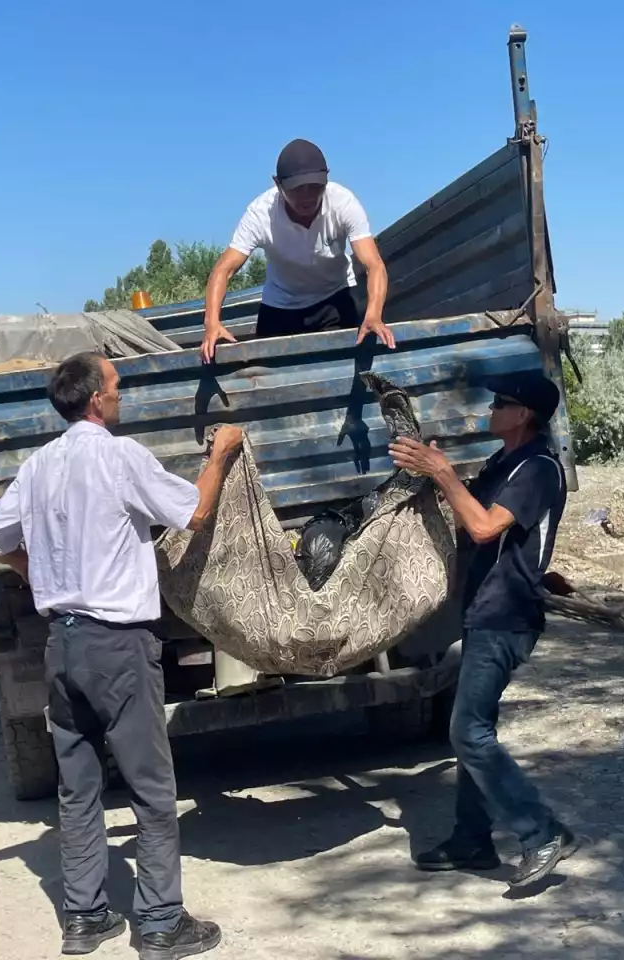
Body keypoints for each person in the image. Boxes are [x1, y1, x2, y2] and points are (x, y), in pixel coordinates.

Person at [0, 351, 242, 959]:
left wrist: (37, 571)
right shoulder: (118, 457)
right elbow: (194, 513)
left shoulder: (39, 465)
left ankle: (86, 917)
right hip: (118, 644)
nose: (121, 395)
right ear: (96, 399)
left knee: (78, 786)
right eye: (116, 386)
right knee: (151, 784)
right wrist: (221, 454)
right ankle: (162, 923)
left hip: (62, 645)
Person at [389, 371, 575, 889]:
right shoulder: (505, 461)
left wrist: (444, 474)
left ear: (524, 416)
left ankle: (540, 831)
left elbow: (484, 526)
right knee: (474, 729)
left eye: (500, 403)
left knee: (466, 731)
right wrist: (431, 473)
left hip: (506, 617)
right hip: (485, 610)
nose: (490, 409)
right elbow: (471, 515)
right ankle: (472, 841)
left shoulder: (538, 468)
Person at [199, 138, 394, 362]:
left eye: (316, 187)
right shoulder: (260, 214)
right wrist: (212, 323)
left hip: (334, 298)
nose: (308, 197)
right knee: (269, 378)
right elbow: (224, 269)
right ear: (278, 184)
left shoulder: (343, 203)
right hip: (281, 305)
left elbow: (374, 264)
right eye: (298, 189)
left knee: (341, 368)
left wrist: (374, 315)